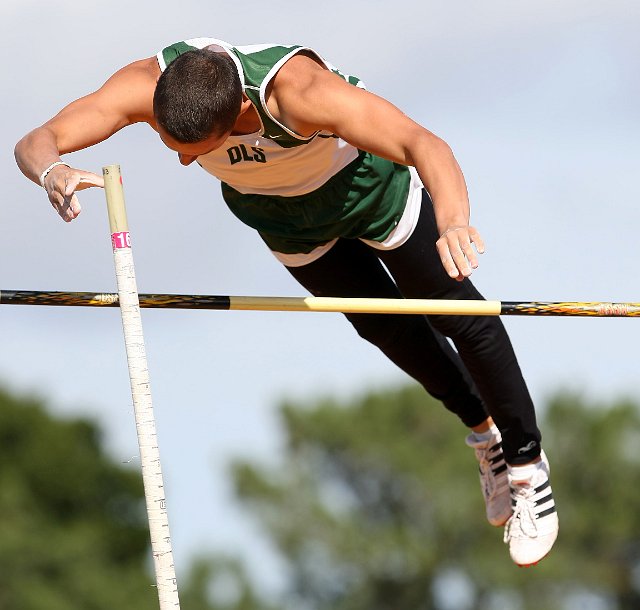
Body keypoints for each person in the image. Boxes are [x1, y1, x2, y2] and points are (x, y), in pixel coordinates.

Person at [15, 37, 558, 566]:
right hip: (282, 218)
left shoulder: (300, 93)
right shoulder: (146, 85)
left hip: (366, 192)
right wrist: (52, 170)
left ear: (240, 114)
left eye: (193, 152)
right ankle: (484, 432)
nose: (183, 164)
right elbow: (36, 139)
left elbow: (424, 144)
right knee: (386, 329)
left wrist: (454, 219)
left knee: (460, 314)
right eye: (173, 146)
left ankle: (528, 466)